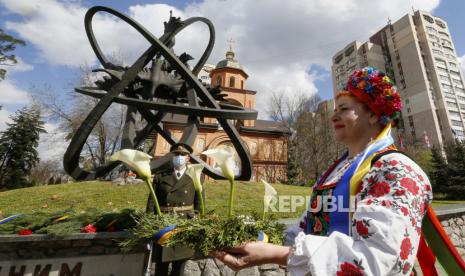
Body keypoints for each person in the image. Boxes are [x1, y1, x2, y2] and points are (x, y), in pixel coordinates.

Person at [210, 67, 433, 275]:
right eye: (334, 110)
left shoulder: (399, 171)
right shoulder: (337, 170)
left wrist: (276, 254)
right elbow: (306, 229)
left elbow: (376, 259)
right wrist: (254, 235)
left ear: (374, 114)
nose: (333, 116)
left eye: (344, 109)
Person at [146, 142, 204, 276]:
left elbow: (200, 202)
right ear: (172, 157)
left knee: (179, 268)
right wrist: (149, 223)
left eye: (183, 154)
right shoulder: (160, 176)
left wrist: (199, 223)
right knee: (161, 267)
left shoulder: (195, 175)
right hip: (164, 224)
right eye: (177, 154)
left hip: (184, 225)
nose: (179, 156)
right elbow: (151, 202)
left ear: (188, 158)